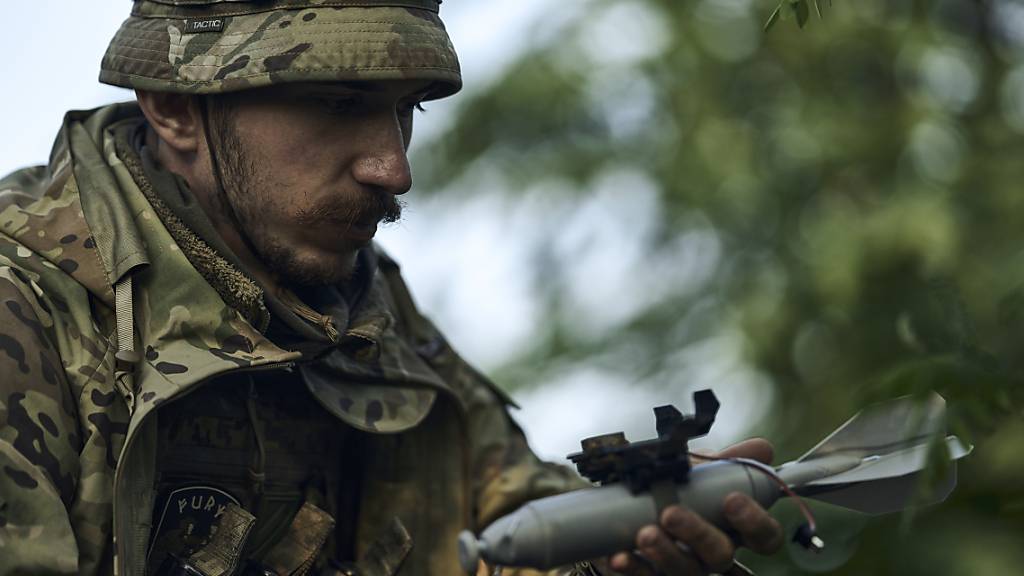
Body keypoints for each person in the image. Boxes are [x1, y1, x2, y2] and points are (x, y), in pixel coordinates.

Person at [0, 1, 782, 574]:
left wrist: (625, 549)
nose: (393, 168)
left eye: (405, 109)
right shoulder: (26, 310)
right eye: (339, 103)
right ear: (174, 106)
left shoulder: (360, 302)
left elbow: (505, 530)